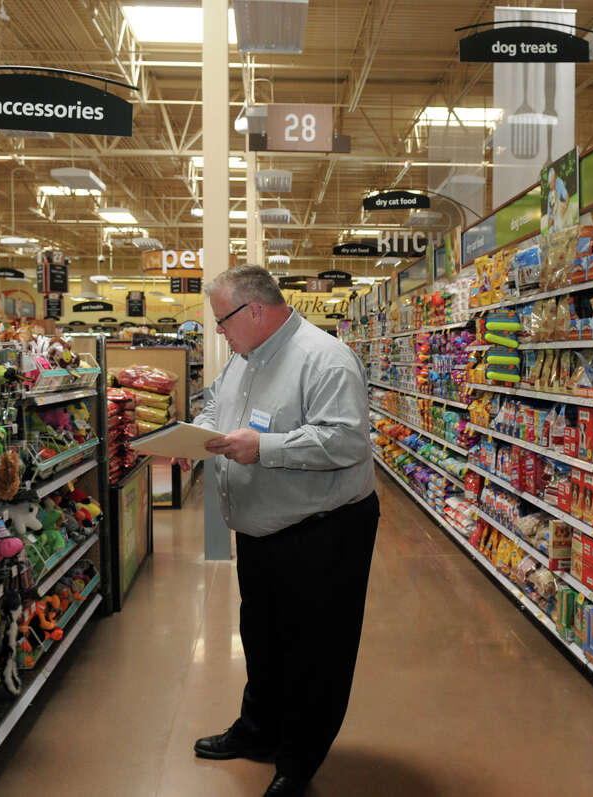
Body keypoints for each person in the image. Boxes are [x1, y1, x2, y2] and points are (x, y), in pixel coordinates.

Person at [190, 265, 379, 797]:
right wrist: (197, 439)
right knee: (264, 639)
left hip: (322, 533)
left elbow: (346, 442)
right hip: (262, 530)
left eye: (222, 321)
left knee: (316, 650)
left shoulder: (326, 359)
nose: (219, 332)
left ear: (254, 310)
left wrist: (265, 448)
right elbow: (215, 407)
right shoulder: (243, 360)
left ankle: (299, 760)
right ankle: (259, 731)